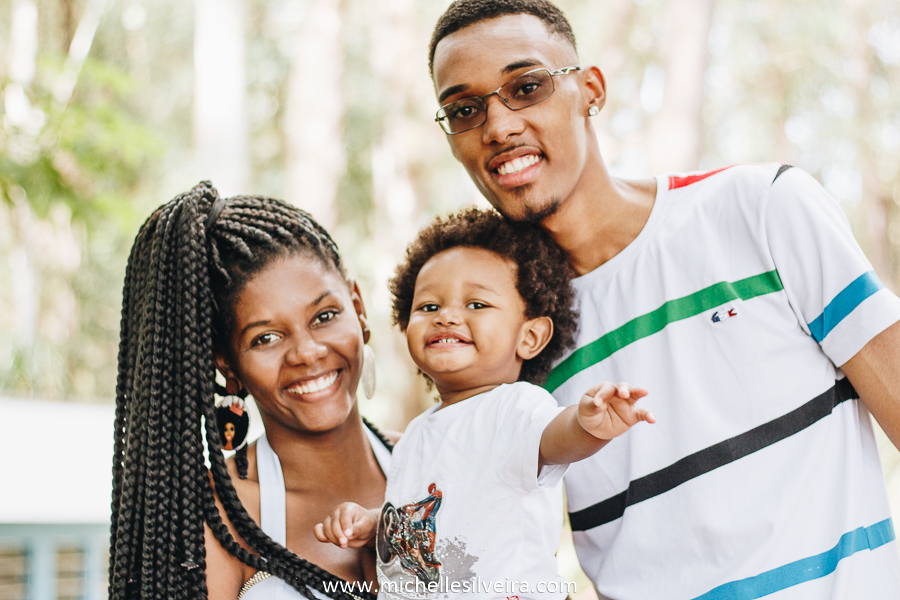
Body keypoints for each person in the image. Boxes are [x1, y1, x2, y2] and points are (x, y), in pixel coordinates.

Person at [426, 1, 900, 598]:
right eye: (464, 109)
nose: (497, 127)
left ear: (590, 91)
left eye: (526, 87)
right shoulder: (509, 340)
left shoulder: (762, 209)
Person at [314, 209, 654, 600]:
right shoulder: (416, 435)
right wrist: (375, 523)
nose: (447, 316)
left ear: (530, 336)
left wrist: (587, 424)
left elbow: (553, 440)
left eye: (476, 305)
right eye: (428, 307)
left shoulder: (516, 408)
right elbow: (433, 516)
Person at [109, 181, 393, 600]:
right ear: (228, 365)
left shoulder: (438, 461)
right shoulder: (216, 517)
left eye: (325, 315)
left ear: (359, 308)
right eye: (266, 338)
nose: (307, 352)